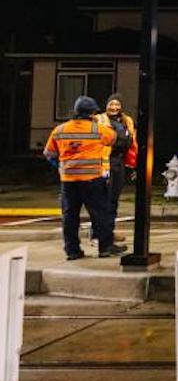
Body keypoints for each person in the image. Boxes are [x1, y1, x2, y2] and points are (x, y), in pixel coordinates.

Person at [44, 96, 126, 260]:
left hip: (68, 180)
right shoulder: (98, 129)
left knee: (69, 216)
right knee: (100, 214)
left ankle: (72, 250)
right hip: (92, 179)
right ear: (93, 113)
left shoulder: (59, 130)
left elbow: (49, 154)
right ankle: (105, 247)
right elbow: (115, 139)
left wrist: (62, 167)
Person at [97, 94, 135, 244]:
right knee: (103, 200)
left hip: (119, 162)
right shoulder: (99, 119)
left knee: (113, 199)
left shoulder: (126, 121)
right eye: (111, 104)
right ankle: (98, 234)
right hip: (106, 163)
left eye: (117, 104)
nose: (114, 107)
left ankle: (108, 232)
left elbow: (131, 141)